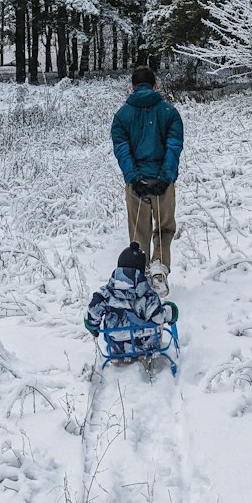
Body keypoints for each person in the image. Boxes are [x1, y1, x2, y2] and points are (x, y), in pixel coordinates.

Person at [110, 64, 184, 297]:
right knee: (164, 229)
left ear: (132, 87)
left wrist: (133, 178)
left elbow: (122, 149)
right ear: (155, 85)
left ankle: (138, 278)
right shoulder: (169, 112)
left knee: (138, 232)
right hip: (163, 183)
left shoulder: (122, 115)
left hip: (137, 184)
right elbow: (174, 146)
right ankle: (159, 269)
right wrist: (165, 177)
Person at [84, 242, 178, 356]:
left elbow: (91, 315)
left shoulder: (105, 294)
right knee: (157, 324)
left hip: (117, 345)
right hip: (146, 345)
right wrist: (171, 310)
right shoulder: (148, 296)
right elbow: (159, 317)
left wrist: (93, 329)